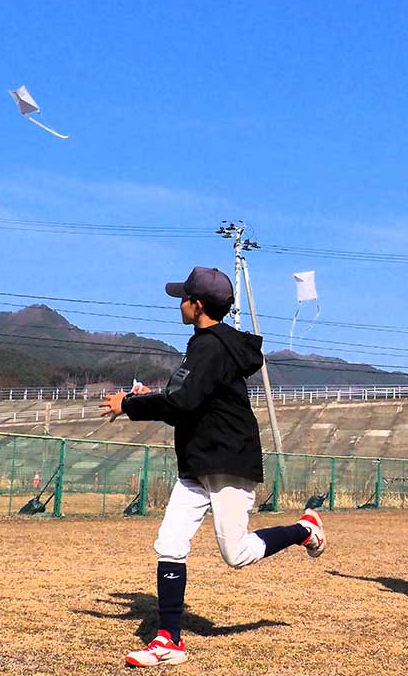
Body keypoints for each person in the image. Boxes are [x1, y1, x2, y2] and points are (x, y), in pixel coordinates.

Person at [100, 266, 326, 668]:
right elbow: (186, 399)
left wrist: (129, 404)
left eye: (184, 298)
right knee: (169, 543)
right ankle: (168, 640)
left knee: (236, 554)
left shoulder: (209, 347)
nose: (180, 303)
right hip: (198, 462)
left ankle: (304, 529)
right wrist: (152, 396)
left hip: (227, 461)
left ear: (198, 305)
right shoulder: (206, 345)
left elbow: (181, 403)